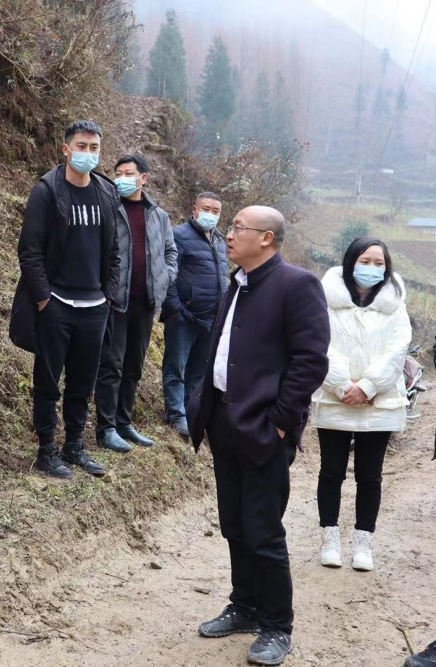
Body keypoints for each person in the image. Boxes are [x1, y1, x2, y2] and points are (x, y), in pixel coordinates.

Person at [188, 206, 330, 666]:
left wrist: (282, 421)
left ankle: (276, 625)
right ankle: (244, 606)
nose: (229, 234)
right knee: (234, 524)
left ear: (266, 238)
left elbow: (310, 360)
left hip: (264, 427)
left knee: (264, 530)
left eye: (237, 228)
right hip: (224, 422)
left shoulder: (296, 285)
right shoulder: (238, 281)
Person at [14, 120, 121, 479]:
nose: (87, 154)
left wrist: (108, 295)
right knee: (47, 381)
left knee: (82, 382)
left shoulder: (106, 192)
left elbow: (116, 250)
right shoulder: (47, 190)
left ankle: (74, 446)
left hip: (95, 307)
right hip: (57, 303)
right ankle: (46, 449)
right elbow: (30, 251)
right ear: (65, 149)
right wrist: (44, 299)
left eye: (94, 148)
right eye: (81, 146)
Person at [311, 238, 410, 571]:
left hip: (378, 402)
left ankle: (364, 541)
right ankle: (330, 537)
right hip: (335, 395)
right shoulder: (326, 300)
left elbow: (398, 349)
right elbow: (318, 343)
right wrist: (342, 386)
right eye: (366, 261)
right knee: (331, 471)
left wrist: (368, 387)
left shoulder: (395, 303)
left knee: (370, 476)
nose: (372, 268)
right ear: (351, 261)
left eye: (379, 263)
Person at [94, 154, 176, 452]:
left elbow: (170, 252)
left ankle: (124, 422)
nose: (122, 178)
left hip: (146, 302)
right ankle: (106, 428)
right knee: (112, 365)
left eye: (128, 173)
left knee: (134, 366)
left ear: (144, 178)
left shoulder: (158, 215)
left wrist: (166, 277)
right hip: (116, 301)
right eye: (118, 173)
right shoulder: (109, 208)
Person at [160, 191, 228, 439]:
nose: (211, 214)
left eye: (216, 211)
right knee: (176, 366)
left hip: (211, 318)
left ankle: (190, 411)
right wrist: (175, 308)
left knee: (198, 370)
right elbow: (169, 273)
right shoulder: (179, 235)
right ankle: (175, 413)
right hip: (184, 317)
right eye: (206, 209)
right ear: (194, 209)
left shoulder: (220, 241)